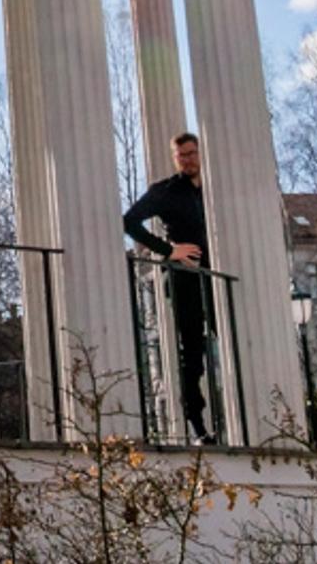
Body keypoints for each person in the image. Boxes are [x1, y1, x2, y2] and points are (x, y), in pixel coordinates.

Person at [122, 132, 215, 443]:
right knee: (192, 350)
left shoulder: (219, 185)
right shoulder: (165, 191)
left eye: (192, 153)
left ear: (202, 152)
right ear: (175, 158)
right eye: (181, 155)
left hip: (218, 274)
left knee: (231, 337)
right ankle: (197, 422)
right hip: (185, 278)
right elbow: (130, 221)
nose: (188, 159)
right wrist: (168, 250)